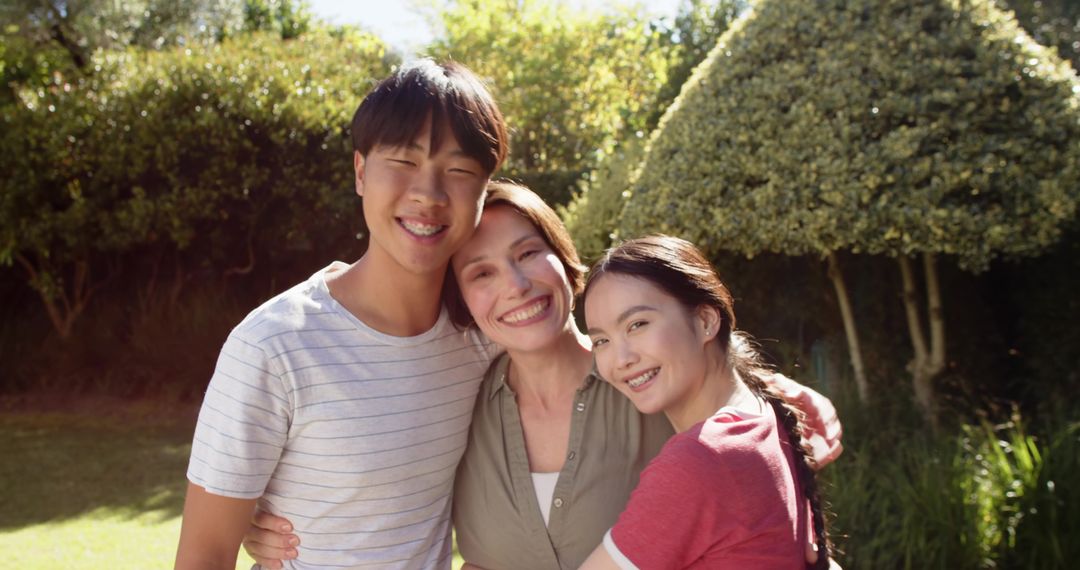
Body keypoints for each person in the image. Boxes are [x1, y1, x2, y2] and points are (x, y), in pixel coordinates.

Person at [243, 188, 842, 569]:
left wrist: (783, 393)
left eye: (529, 253)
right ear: (463, 303)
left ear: (566, 261)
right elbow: (370, 473)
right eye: (481, 273)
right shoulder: (453, 399)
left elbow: (730, 420)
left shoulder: (654, 388)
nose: (516, 285)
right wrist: (267, 522)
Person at [173, 59, 509, 570]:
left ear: (484, 192)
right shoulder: (272, 346)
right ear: (360, 172)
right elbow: (204, 555)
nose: (428, 193)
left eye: (459, 171)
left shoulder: (486, 334)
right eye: (402, 161)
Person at [579, 235, 833, 569]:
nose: (620, 359)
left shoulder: (700, 458)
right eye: (602, 340)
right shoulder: (760, 416)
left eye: (637, 324)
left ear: (705, 321)